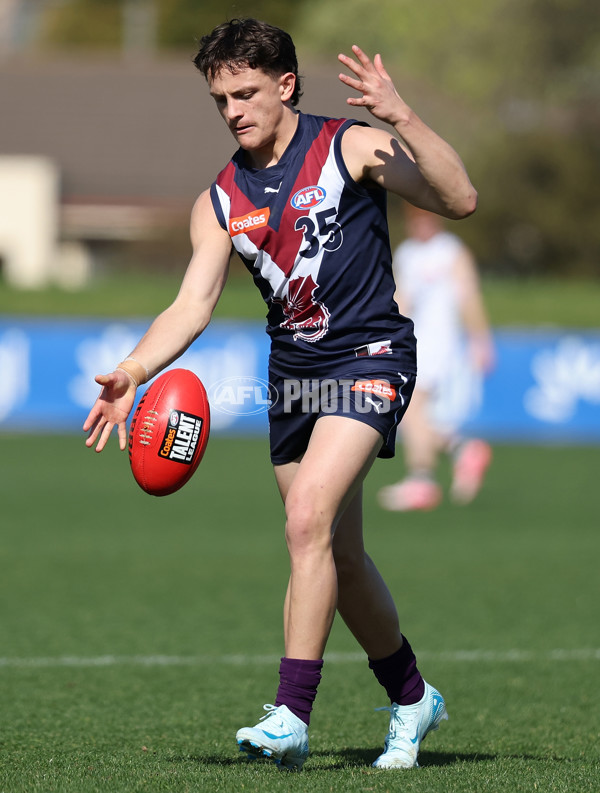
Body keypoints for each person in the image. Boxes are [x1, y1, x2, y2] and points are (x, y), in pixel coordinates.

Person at [84, 18, 477, 772]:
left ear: (286, 85)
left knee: (306, 520)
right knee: (340, 555)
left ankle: (291, 713)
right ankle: (412, 696)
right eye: (220, 99)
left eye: (245, 92)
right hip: (293, 378)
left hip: (370, 356)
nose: (232, 110)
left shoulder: (350, 146)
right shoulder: (223, 198)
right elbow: (192, 304)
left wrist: (403, 118)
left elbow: (461, 198)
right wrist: (132, 371)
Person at [378, 205, 494, 512]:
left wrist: (480, 339)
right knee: (412, 416)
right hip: (415, 340)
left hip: (440, 343)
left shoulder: (451, 252)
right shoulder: (407, 253)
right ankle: (462, 449)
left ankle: (422, 480)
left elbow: (469, 297)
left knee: (411, 406)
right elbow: (401, 300)